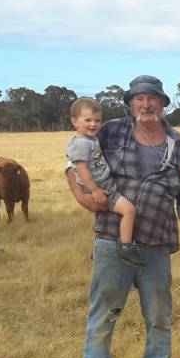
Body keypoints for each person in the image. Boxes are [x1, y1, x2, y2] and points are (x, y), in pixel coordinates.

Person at [65, 75, 180, 358]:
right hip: (112, 240)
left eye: (152, 99)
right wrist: (82, 198)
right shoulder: (110, 131)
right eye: (139, 99)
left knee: (159, 316)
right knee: (104, 315)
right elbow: (74, 164)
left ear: (163, 103)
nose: (146, 104)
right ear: (130, 103)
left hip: (157, 241)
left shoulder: (179, 143)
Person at [65, 97, 145, 266]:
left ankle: (102, 250)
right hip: (101, 188)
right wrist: (94, 191)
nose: (93, 124)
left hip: (105, 185)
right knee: (129, 211)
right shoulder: (80, 143)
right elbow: (82, 170)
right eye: (87, 120)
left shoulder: (91, 139)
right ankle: (125, 247)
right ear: (74, 121)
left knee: (123, 212)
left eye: (97, 121)